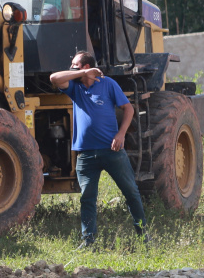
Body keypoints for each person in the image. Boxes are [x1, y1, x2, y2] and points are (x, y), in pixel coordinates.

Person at [50, 51, 146, 249]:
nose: (71, 67)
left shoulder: (108, 84)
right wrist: (79, 74)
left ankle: (143, 236)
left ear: (86, 66)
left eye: (75, 64)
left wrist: (121, 135)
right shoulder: (74, 87)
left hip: (112, 151)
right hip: (85, 154)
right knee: (87, 198)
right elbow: (54, 78)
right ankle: (89, 242)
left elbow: (128, 109)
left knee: (131, 192)